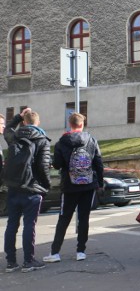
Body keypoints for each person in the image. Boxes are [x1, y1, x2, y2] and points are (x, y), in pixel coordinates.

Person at [43, 112, 104, 264]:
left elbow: (57, 164)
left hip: (69, 186)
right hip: (88, 185)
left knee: (64, 219)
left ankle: (55, 252)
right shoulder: (91, 140)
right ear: (82, 124)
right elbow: (98, 163)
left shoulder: (62, 142)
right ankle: (81, 251)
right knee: (84, 219)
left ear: (70, 124)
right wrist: (100, 183)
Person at [3, 108, 51, 273]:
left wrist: (19, 116)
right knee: (29, 225)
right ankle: (28, 261)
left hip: (13, 187)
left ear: (24, 122)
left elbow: (7, 129)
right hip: (32, 188)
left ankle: (10, 262)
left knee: (11, 225)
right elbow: (44, 167)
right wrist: (46, 185)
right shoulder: (42, 140)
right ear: (38, 123)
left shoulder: (14, 137)